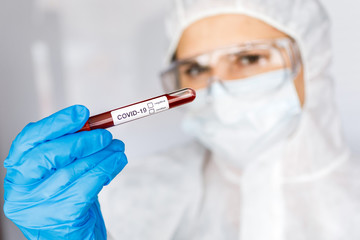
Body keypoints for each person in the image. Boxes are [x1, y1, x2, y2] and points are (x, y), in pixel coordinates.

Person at [3, 0, 360, 239]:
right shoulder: (123, 197)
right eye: (195, 68)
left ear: (313, 62)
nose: (217, 87)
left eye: (249, 59)